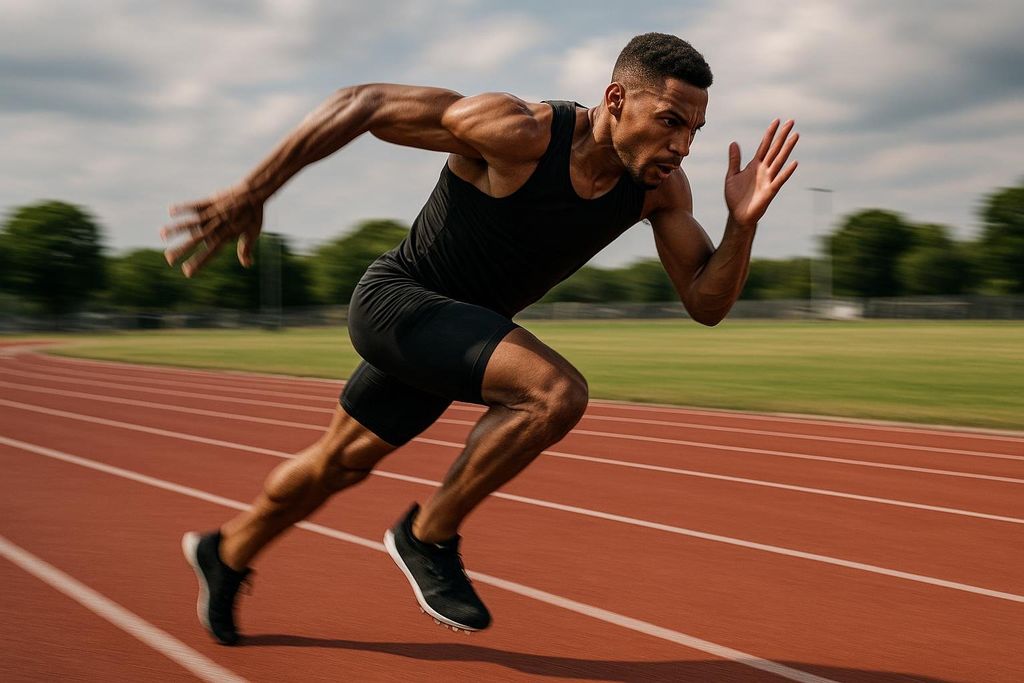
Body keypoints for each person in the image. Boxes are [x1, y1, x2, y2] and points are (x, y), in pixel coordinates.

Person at [165, 32, 798, 645]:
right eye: (669, 121)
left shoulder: (659, 191)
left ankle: (228, 551)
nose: (683, 145)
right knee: (554, 395)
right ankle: (428, 535)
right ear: (614, 100)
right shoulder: (519, 132)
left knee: (340, 462)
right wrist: (255, 188)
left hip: (460, 336)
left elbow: (705, 303)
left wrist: (743, 225)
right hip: (400, 302)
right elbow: (364, 103)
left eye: (694, 131)